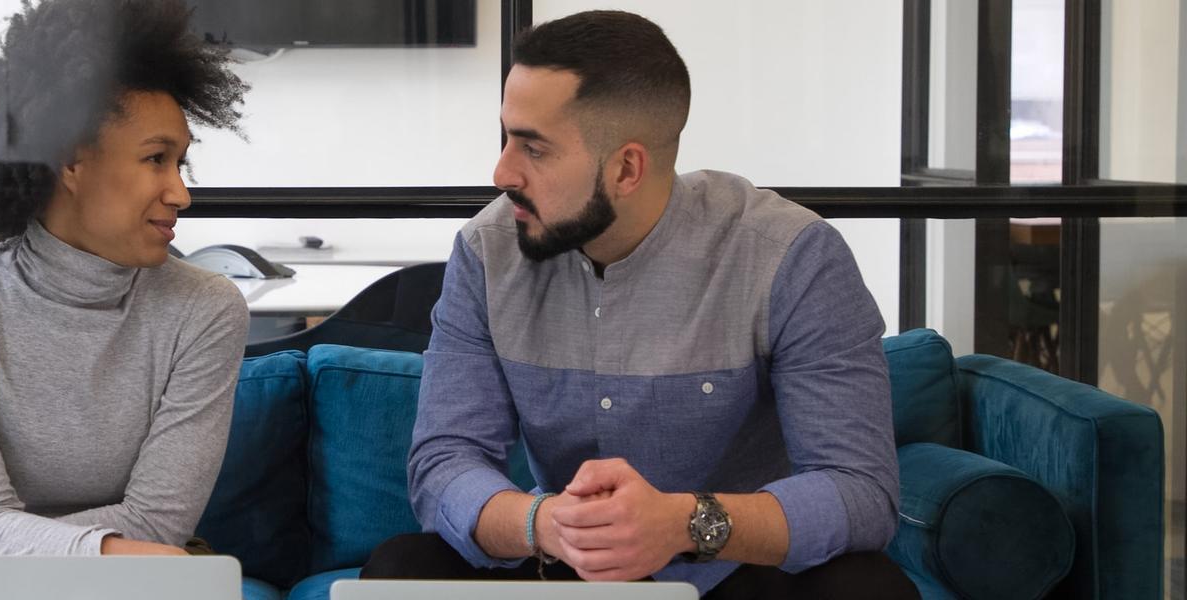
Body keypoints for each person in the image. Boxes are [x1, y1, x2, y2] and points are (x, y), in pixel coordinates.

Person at [361, 10, 920, 599]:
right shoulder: (486, 252)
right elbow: (444, 460)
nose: (501, 171)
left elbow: (860, 491)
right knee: (402, 566)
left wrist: (680, 523)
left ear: (627, 167)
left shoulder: (789, 257)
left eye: (535, 149)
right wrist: (546, 524)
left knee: (867, 587)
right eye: (506, 136)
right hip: (562, 564)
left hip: (734, 569)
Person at [0, 0, 249, 595]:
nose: (181, 192)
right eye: (156, 159)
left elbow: (158, 524)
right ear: (71, 160)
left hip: (136, 567)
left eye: (180, 162)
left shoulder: (205, 308)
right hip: (57, 562)